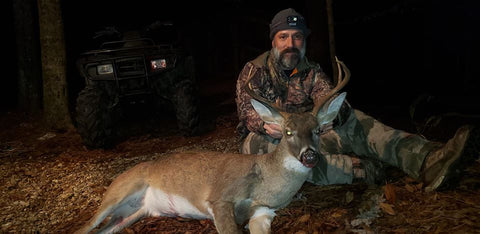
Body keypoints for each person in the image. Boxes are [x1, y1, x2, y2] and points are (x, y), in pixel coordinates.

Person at [235, 8, 478, 191]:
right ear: (273, 41)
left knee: (356, 120)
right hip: (273, 140)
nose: (291, 44)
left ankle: (428, 159)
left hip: (310, 135)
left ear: (304, 42)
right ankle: (360, 170)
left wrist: (333, 115)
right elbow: (248, 113)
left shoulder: (312, 70)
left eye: (297, 37)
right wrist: (266, 125)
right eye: (283, 37)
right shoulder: (254, 71)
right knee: (263, 150)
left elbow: (328, 97)